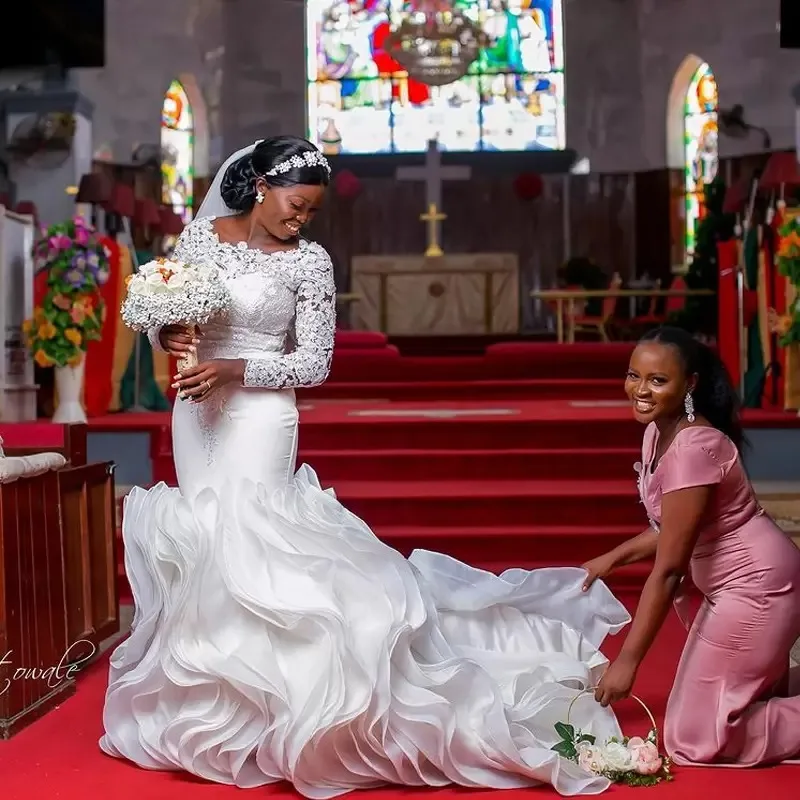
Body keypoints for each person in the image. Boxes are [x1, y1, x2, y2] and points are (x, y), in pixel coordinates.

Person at [99, 136, 631, 796]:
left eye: (311, 211)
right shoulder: (201, 239)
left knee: (261, 545)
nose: (302, 220)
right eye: (296, 204)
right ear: (260, 185)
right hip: (195, 412)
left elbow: (315, 364)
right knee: (205, 542)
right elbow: (167, 312)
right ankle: (219, 707)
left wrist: (236, 367)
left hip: (262, 415)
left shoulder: (310, 264)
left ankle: (300, 710)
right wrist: (168, 334)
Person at [583, 326, 800, 766]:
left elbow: (668, 569)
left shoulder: (693, 448)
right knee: (724, 704)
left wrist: (627, 661)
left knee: (695, 738)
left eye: (657, 380)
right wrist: (612, 559)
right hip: (734, 586)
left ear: (690, 385)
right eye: (633, 376)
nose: (640, 390)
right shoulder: (656, 433)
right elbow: (673, 526)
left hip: (758, 587)